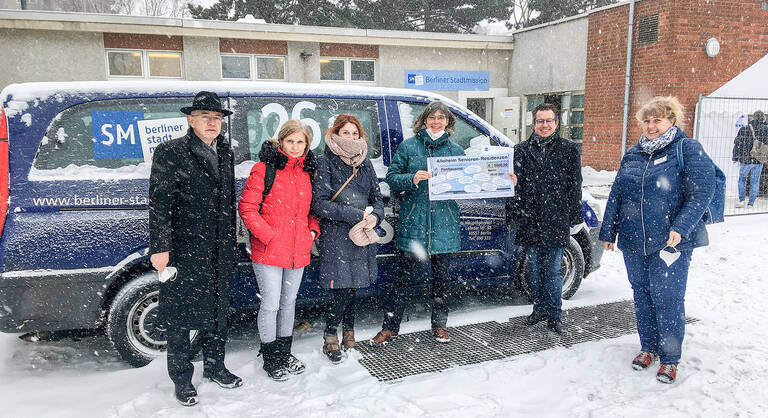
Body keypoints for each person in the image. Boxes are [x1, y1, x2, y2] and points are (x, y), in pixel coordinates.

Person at [600, 96, 716, 384]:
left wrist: (682, 225)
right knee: (642, 294)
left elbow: (703, 191)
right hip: (633, 239)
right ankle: (649, 347)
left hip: (670, 242)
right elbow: (617, 193)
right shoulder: (633, 153)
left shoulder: (686, 149)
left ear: (671, 121)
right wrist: (608, 231)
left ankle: (670, 358)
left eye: (658, 120)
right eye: (647, 121)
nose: (651, 126)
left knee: (667, 298)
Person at [149, 91, 242, 407]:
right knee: (179, 317)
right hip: (184, 249)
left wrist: (232, 240)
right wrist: (160, 247)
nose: (212, 123)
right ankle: (182, 380)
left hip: (219, 248)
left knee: (217, 312)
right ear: (191, 120)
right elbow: (159, 204)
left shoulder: (226, 153)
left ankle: (216, 366)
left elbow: (227, 203)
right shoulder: (170, 152)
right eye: (206, 117)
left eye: (217, 118)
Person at [371, 101, 465, 345]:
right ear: (423, 121)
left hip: (444, 225)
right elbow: (392, 177)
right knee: (402, 281)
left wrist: (499, 179)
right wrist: (411, 178)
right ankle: (390, 327)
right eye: (432, 117)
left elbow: (469, 182)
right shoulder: (409, 147)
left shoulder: (455, 151)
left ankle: (440, 325)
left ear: (448, 122)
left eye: (441, 118)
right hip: (415, 224)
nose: (436, 122)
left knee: (442, 282)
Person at [238, 120, 320, 381]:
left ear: (307, 145)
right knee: (271, 304)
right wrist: (268, 236)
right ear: (281, 141)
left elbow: (313, 212)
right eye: (290, 141)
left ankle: (285, 353)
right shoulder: (264, 169)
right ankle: (271, 357)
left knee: (288, 304)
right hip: (269, 250)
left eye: (301, 142)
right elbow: (247, 208)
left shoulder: (308, 172)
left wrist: (312, 233)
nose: (295, 147)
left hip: (298, 249)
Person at [312, 114, 384, 363]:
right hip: (337, 235)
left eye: (356, 134)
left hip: (362, 232)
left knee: (354, 286)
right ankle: (330, 333)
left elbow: (377, 198)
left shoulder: (366, 163)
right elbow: (319, 204)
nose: (352, 138)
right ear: (335, 134)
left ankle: (349, 331)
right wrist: (356, 214)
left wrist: (375, 217)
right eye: (346, 133)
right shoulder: (325, 162)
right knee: (341, 287)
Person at [508, 103, 583, 336]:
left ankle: (554, 314)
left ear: (556, 123)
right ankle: (538, 309)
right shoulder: (520, 150)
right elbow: (514, 186)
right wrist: (515, 210)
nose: (545, 125)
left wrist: (574, 215)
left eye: (549, 120)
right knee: (534, 270)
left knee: (552, 270)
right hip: (530, 218)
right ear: (533, 123)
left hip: (556, 218)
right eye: (540, 121)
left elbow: (575, 185)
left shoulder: (569, 149)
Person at [732, 110, 768, 208]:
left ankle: (741, 200)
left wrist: (735, 157)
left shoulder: (745, 129)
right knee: (755, 181)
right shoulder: (766, 129)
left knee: (742, 179)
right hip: (759, 159)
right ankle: (751, 203)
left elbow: (737, 143)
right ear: (763, 118)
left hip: (745, 158)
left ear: (753, 118)